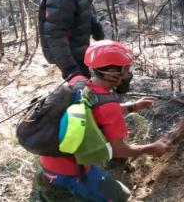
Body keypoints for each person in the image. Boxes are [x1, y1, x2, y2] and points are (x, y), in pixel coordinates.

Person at [38, 40, 170, 201]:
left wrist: (133, 106)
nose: (127, 74)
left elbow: (96, 109)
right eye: (126, 69)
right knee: (122, 196)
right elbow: (120, 150)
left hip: (49, 158)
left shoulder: (78, 82)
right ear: (112, 73)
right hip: (71, 173)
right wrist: (151, 147)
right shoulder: (110, 107)